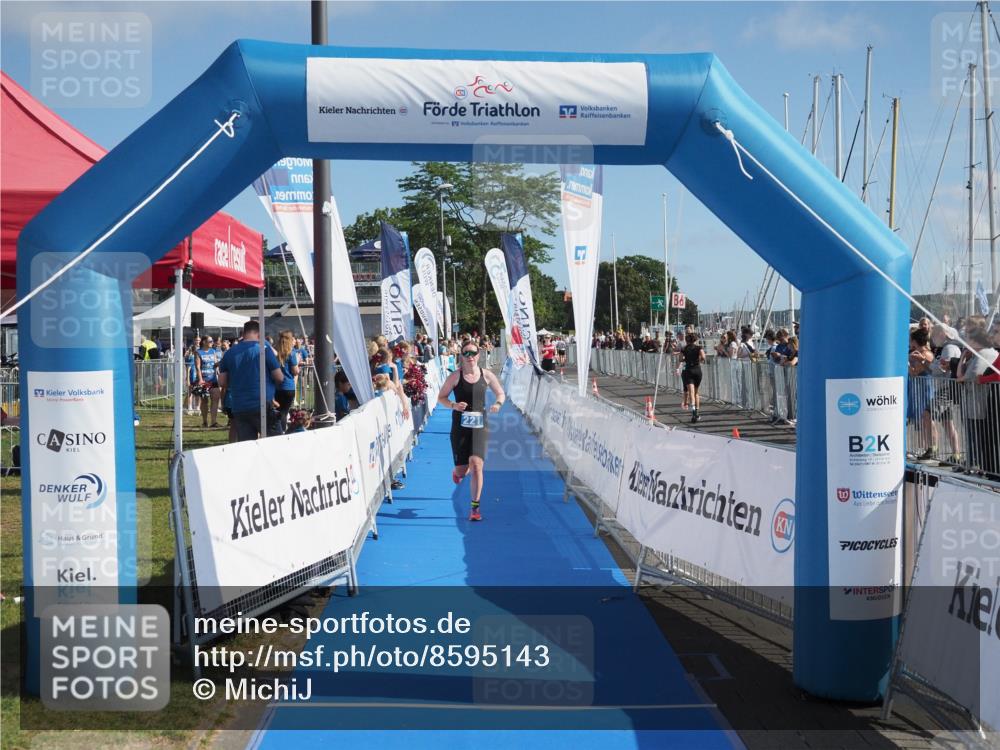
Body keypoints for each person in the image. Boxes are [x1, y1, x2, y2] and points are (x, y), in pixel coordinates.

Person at [436, 342, 506, 522]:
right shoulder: (455, 376)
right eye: (466, 353)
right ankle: (459, 472)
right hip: (460, 427)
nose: (470, 356)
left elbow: (501, 394)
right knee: (462, 471)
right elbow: (441, 397)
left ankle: (475, 508)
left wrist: (497, 404)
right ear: (462, 356)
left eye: (473, 353)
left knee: (476, 465)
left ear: (479, 354)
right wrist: (453, 405)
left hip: (480, 426)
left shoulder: (487, 375)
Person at [217, 321, 284, 442]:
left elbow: (222, 382)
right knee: (275, 443)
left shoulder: (229, 353)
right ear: (259, 333)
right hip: (262, 404)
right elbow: (279, 377)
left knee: (247, 446)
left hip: (239, 405)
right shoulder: (264, 350)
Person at [274, 330, 300, 433]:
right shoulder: (292, 353)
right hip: (288, 387)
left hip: (277, 387)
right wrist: (297, 363)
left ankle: (278, 431)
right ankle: (282, 432)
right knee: (284, 412)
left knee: (279, 411)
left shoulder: (276, 353)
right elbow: (295, 371)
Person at [679, 332, 706, 423]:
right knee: (696, 392)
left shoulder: (684, 349)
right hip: (697, 370)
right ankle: (696, 412)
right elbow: (703, 357)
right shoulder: (699, 348)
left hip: (689, 370)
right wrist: (698, 360)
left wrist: (686, 359)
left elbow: (680, 359)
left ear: (687, 340)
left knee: (691, 393)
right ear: (695, 340)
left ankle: (694, 412)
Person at [195, 336, 221, 428]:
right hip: (204, 380)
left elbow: (215, 364)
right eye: (210, 341)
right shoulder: (198, 352)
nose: (212, 342)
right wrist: (200, 379)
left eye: (212, 341)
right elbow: (198, 367)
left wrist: (219, 365)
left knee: (215, 400)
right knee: (204, 401)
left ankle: (214, 422)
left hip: (213, 379)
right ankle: (205, 421)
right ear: (204, 342)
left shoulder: (213, 351)